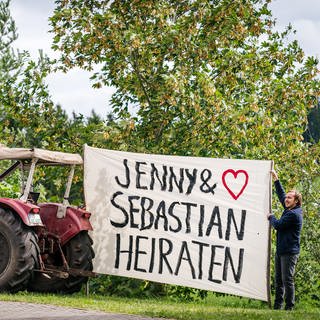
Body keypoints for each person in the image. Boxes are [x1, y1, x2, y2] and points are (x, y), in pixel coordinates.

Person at [268, 170, 303, 311]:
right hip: (281, 250)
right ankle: (278, 306)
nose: (286, 199)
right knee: (278, 281)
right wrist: (276, 180)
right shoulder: (290, 209)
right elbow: (282, 195)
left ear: (296, 201)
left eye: (290, 198)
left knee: (287, 280)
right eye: (287, 197)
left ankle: (289, 307)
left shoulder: (294, 215)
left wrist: (271, 217)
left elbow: (278, 225)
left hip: (289, 252)